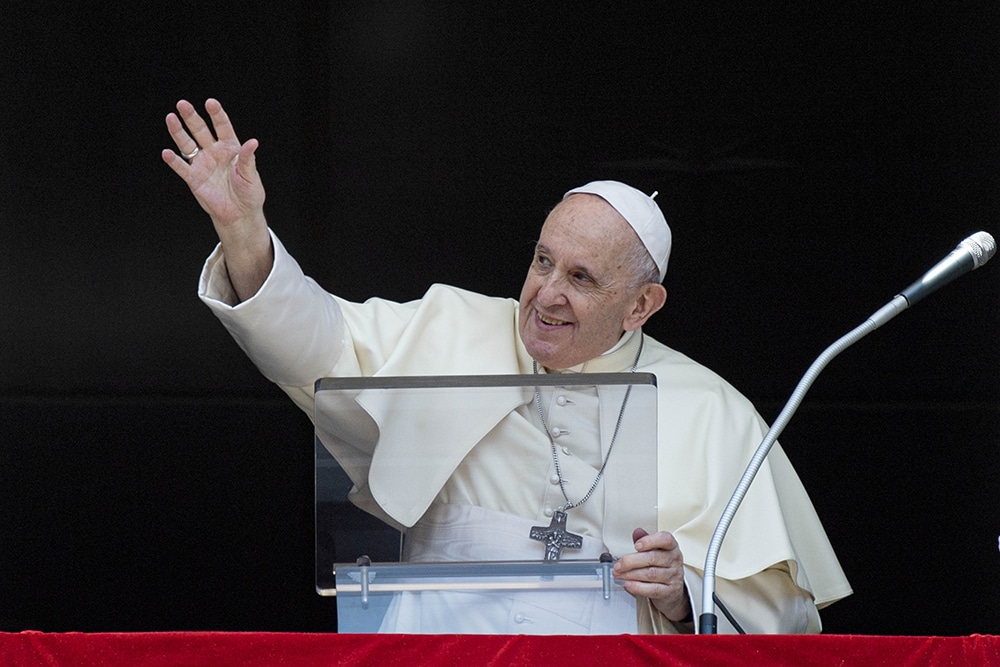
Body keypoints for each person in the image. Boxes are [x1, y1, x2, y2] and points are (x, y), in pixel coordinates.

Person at [163, 98, 852, 634]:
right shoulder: (453, 329)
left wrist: (681, 591)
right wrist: (244, 231)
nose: (546, 293)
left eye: (581, 277)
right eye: (542, 260)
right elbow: (313, 341)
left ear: (642, 303)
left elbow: (779, 622)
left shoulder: (712, 411)